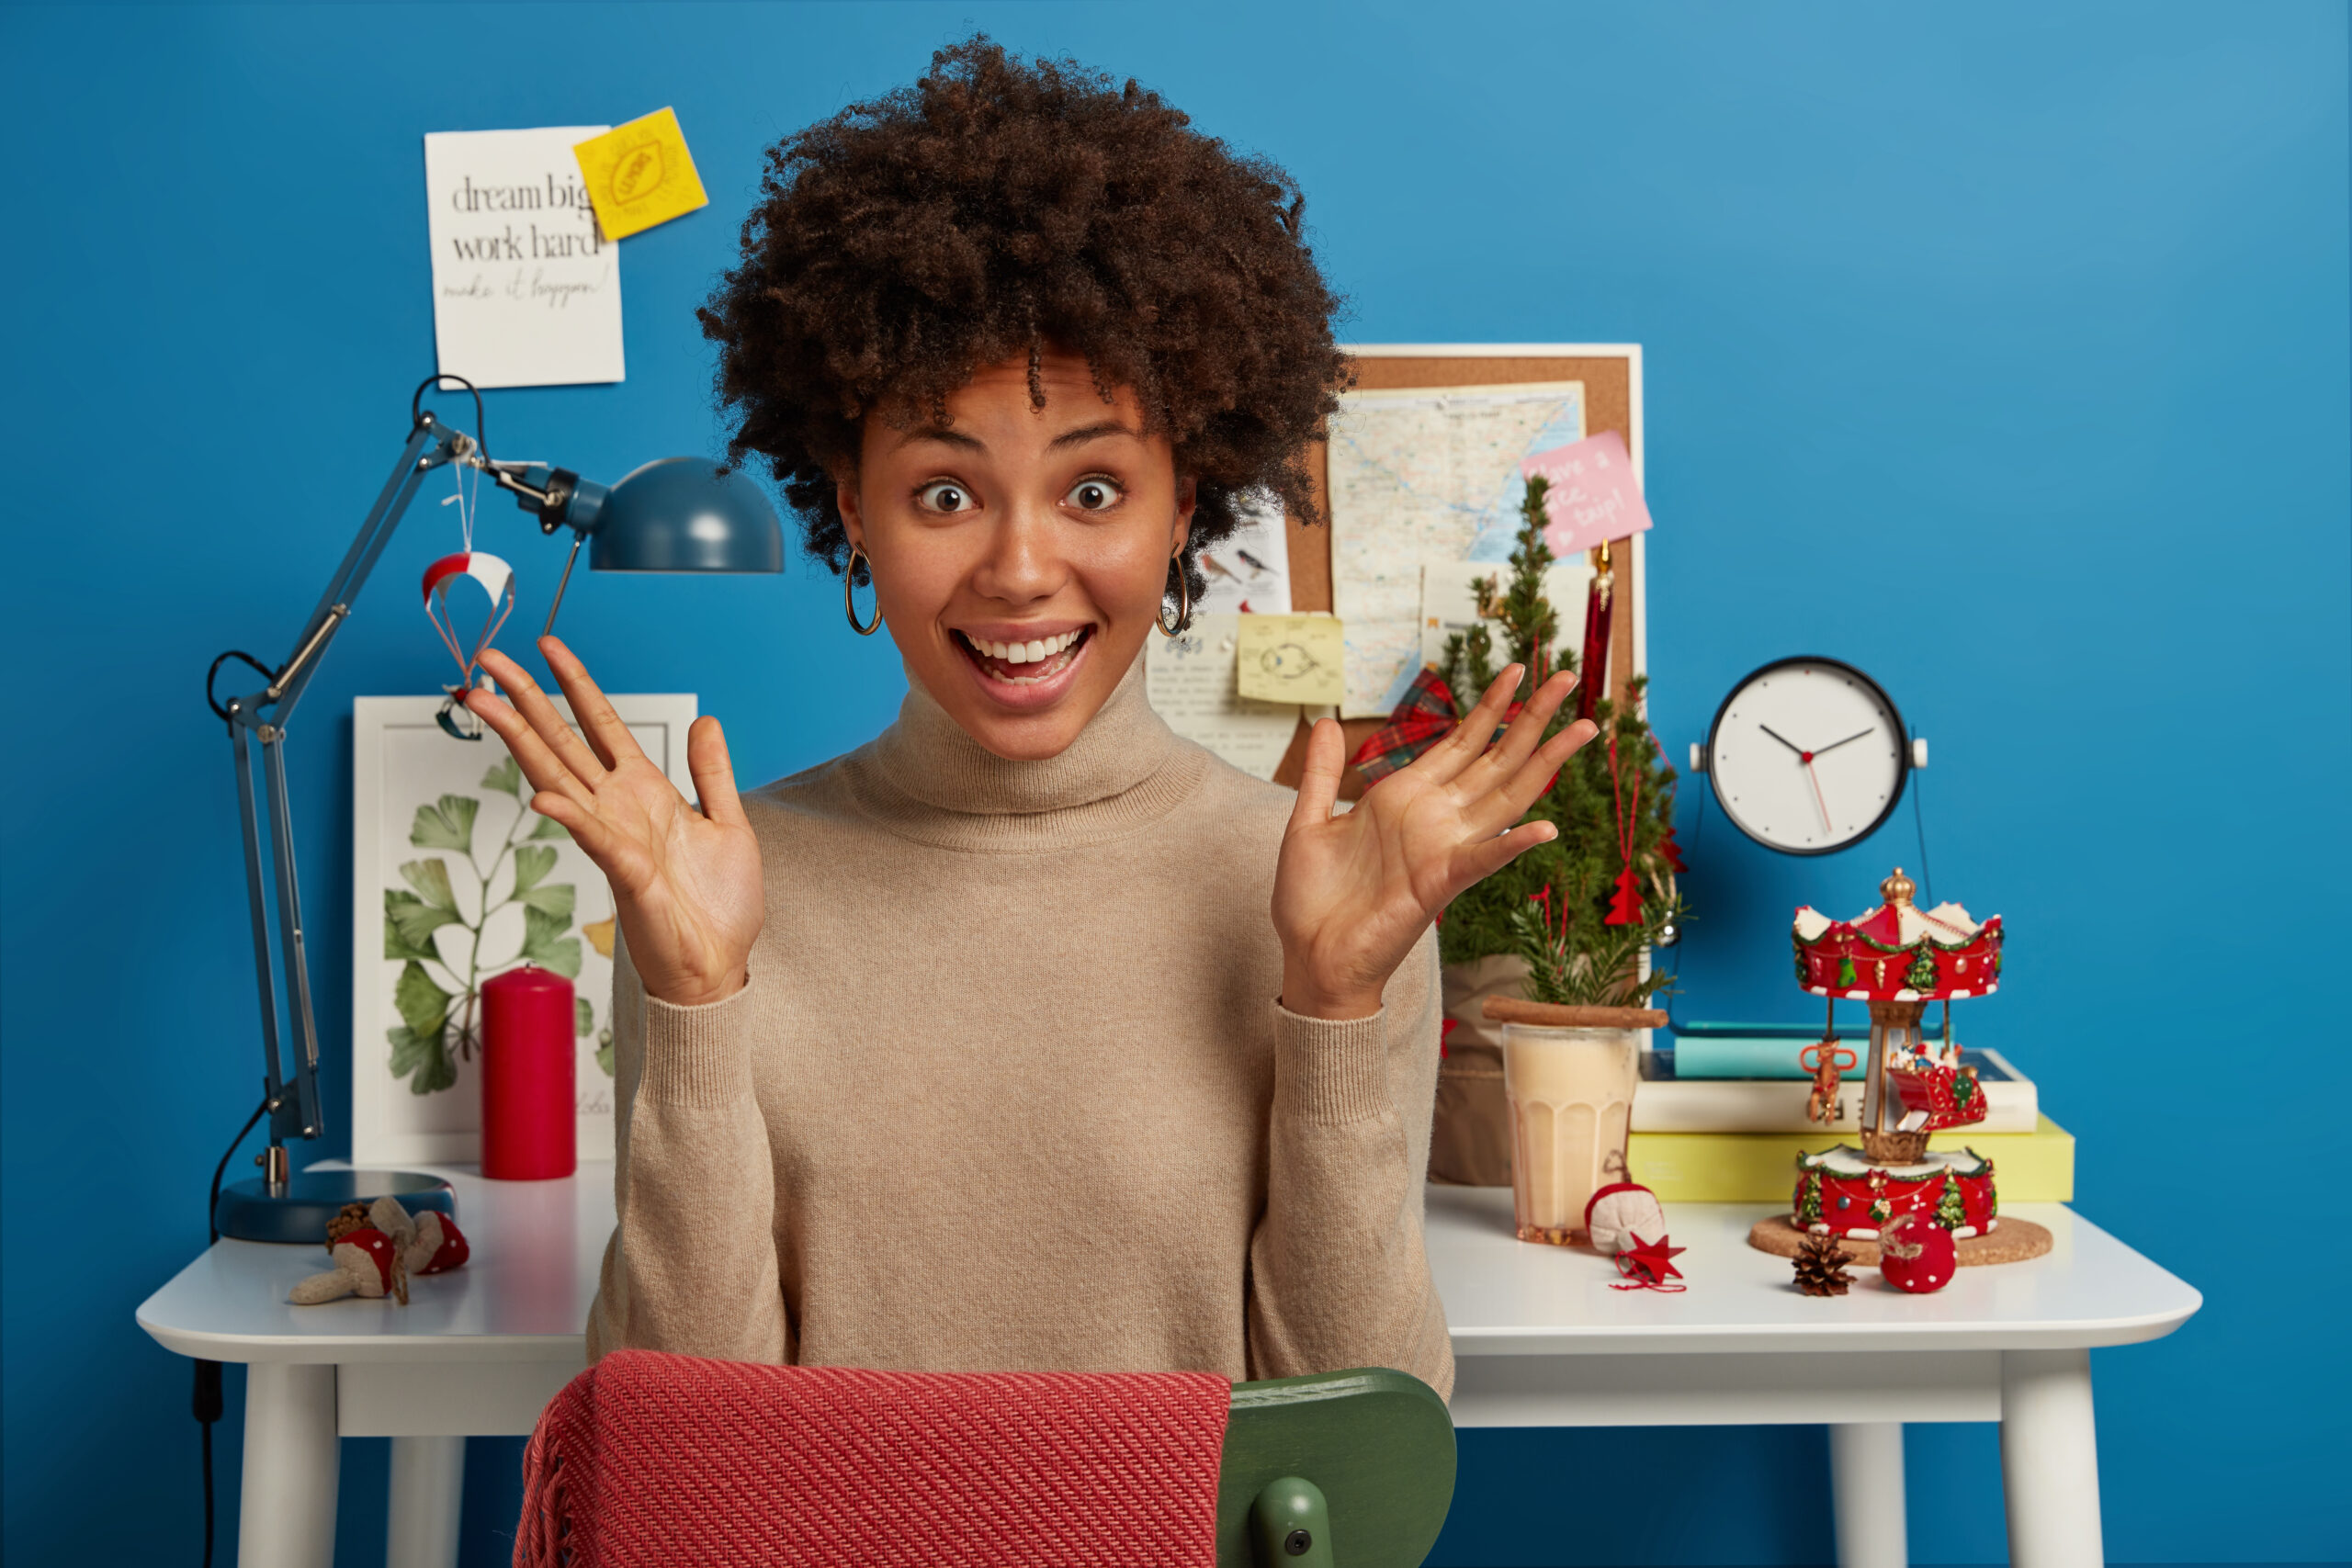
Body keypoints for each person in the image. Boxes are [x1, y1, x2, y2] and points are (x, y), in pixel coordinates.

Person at [467, 38, 1593, 1402]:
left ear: (1189, 506)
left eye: (1096, 491)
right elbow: (685, 1451)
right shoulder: (718, 891)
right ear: (852, 510)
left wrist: (1335, 1000)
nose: (1016, 568)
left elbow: (1353, 1474)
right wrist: (698, 1002)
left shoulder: (1320, 897)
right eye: (944, 492)